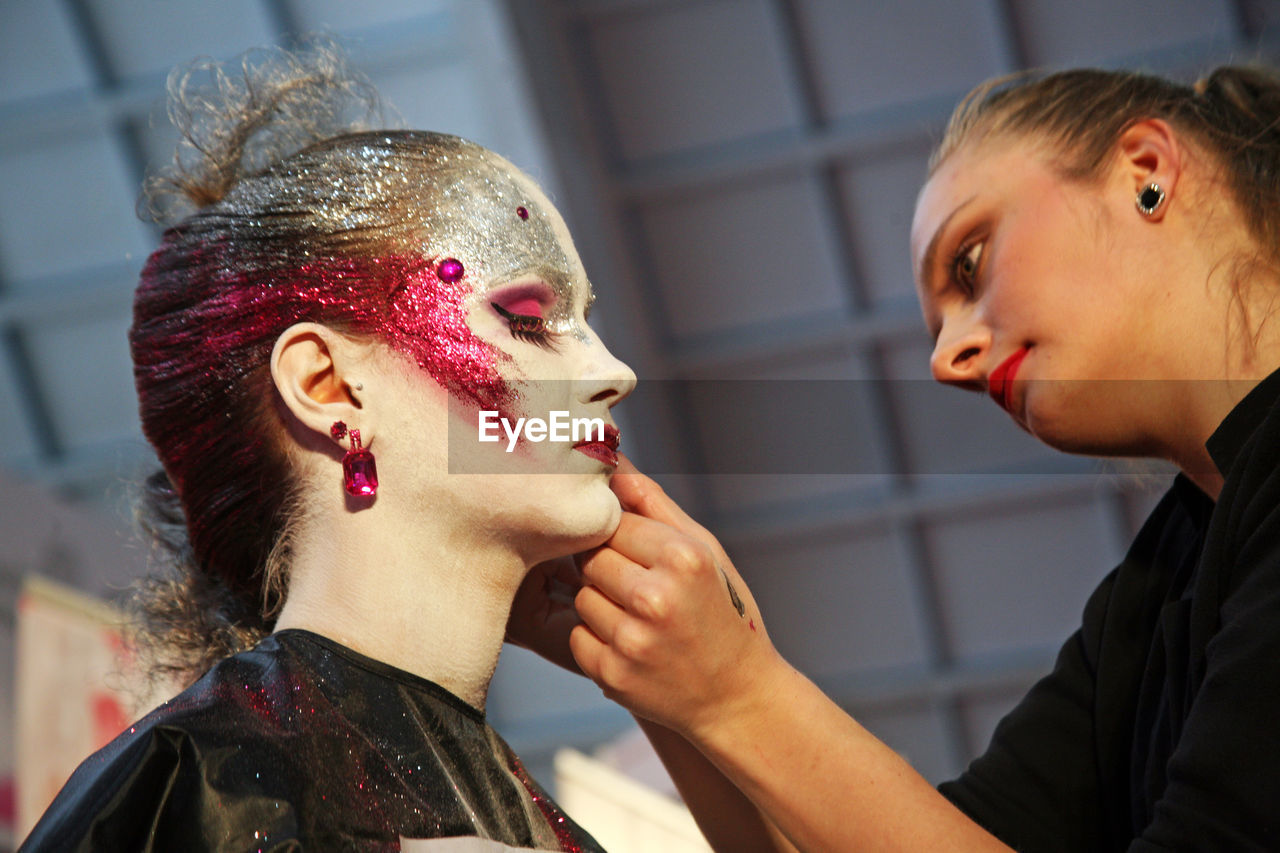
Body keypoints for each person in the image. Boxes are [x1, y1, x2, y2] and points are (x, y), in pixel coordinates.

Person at [516, 64, 1280, 851]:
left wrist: (734, 691)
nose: (949, 359)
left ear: (1146, 174)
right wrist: (660, 678)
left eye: (970, 263)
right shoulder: (1150, 598)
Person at [20, 43, 633, 852]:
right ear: (329, 384)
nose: (613, 372)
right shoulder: (193, 781)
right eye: (526, 316)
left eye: (587, 320)